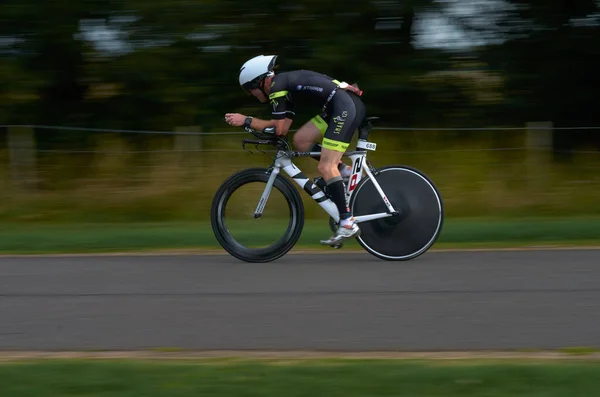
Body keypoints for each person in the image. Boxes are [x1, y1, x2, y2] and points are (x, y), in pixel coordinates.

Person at [224, 54, 367, 247]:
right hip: (338, 106)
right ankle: (345, 173)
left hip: (343, 107)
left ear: (260, 81)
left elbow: (278, 128)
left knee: (326, 167)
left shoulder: (276, 86)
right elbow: (282, 130)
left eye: (251, 90)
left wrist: (246, 120)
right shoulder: (284, 88)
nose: (252, 95)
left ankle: (346, 222)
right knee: (301, 140)